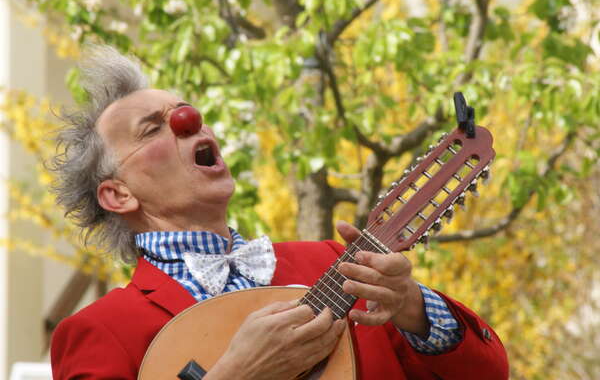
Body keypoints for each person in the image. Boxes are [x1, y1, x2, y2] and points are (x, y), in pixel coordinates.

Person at [49, 45, 508, 380]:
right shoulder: (101, 330)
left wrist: (411, 304)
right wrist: (238, 374)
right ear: (117, 195)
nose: (188, 123)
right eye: (153, 129)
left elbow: (487, 374)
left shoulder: (340, 266)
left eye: (185, 113)